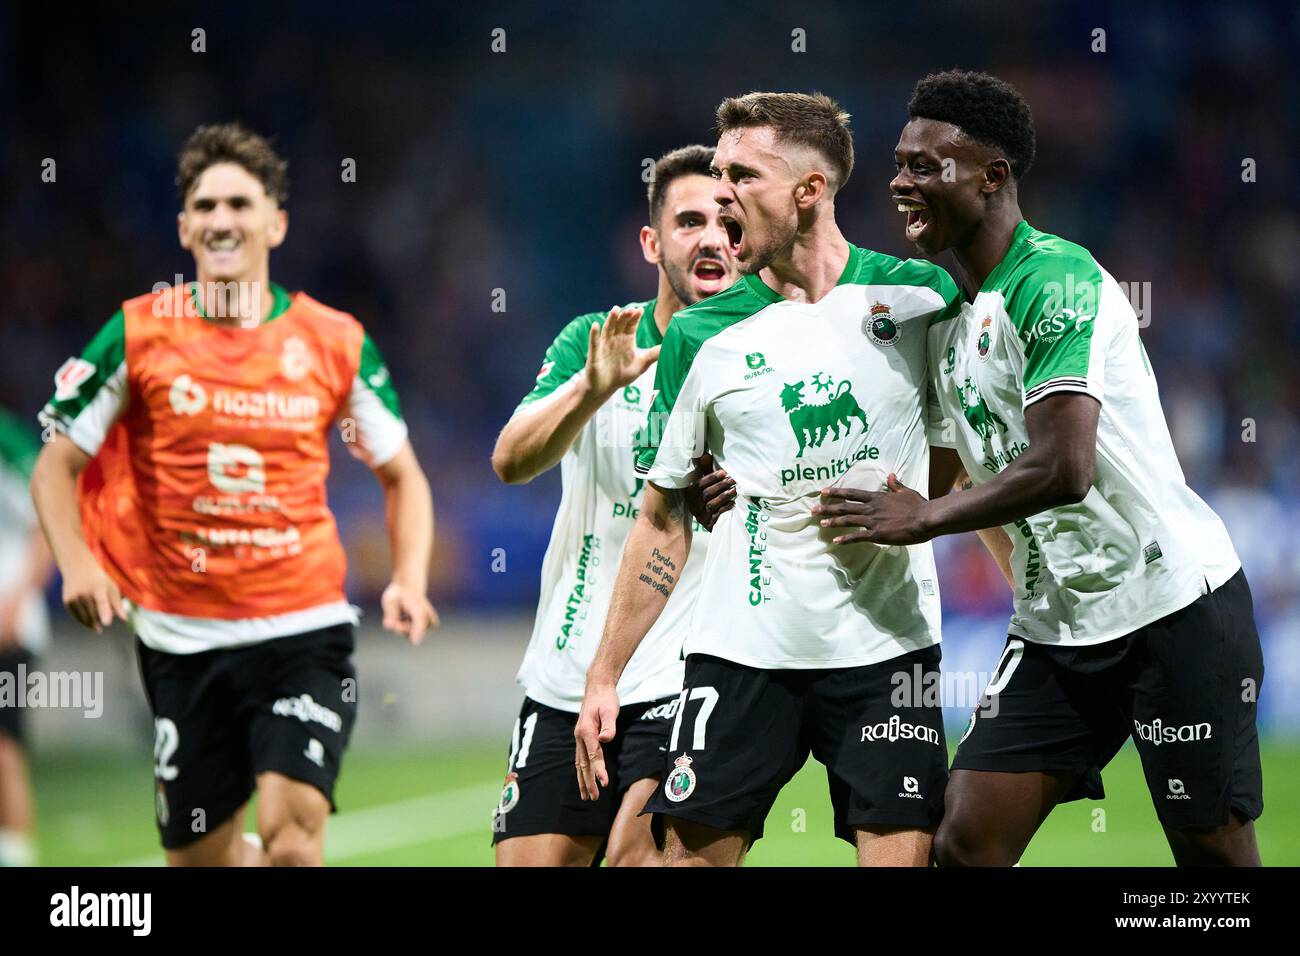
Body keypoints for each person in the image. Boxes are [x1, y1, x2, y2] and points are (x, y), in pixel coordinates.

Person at [816, 69, 1263, 866]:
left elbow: (1065, 466)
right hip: (1060, 631)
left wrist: (920, 519)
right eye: (898, 162)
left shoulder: (1054, 280)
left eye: (926, 165)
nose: (900, 181)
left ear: (992, 177)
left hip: (1171, 608)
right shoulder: (952, 325)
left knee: (1212, 860)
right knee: (962, 843)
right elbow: (952, 477)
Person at [30, 123, 437, 867]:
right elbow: (53, 466)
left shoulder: (333, 339)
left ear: (275, 221)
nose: (223, 220)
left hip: (303, 626)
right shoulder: (136, 334)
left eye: (241, 204)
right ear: (184, 226)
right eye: (206, 205)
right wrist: (79, 566)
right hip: (183, 639)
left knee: (293, 837)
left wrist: (409, 577)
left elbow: (403, 474)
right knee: (203, 863)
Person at [576, 92, 963, 867]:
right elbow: (663, 518)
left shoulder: (923, 300)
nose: (721, 194)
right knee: (683, 859)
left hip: (886, 653)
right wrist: (604, 676)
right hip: (740, 652)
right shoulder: (701, 331)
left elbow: (959, 448)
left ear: (809, 192)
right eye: (718, 174)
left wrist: (924, 507)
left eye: (743, 176)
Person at [490, 145, 736, 866]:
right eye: (690, 221)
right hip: (568, 670)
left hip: (691, 670)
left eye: (726, 221)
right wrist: (592, 388)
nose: (711, 238)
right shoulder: (597, 341)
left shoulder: (765, 352)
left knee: (644, 858)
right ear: (652, 243)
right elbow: (511, 460)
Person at [0, 406, 55, 867]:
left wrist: (16, 601)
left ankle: (17, 857)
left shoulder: (8, 439)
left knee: (3, 744)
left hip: (9, 626)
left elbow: (47, 519)